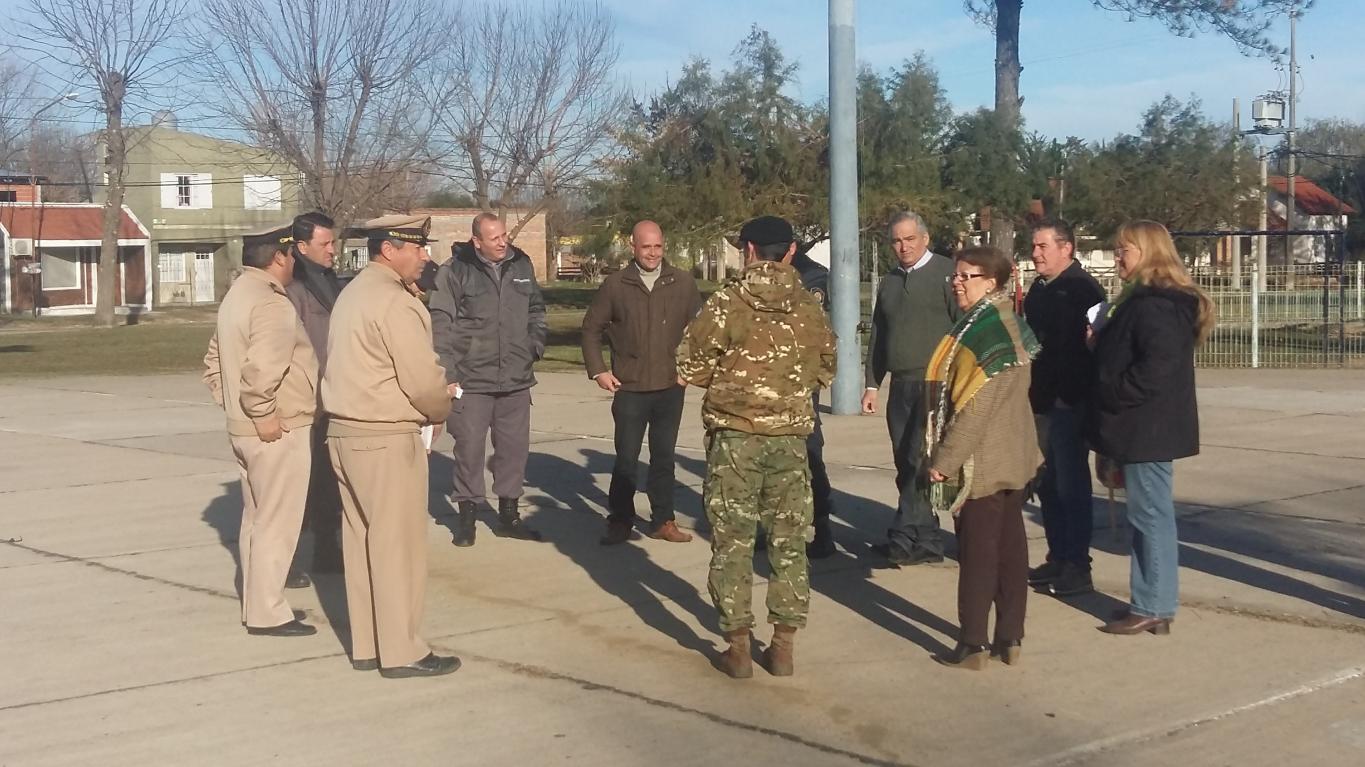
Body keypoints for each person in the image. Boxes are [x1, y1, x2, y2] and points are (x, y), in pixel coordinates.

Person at [677, 215, 836, 679]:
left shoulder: (725, 303)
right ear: (789, 253)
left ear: (747, 250)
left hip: (735, 440)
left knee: (733, 542)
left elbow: (690, 364)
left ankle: (739, 646)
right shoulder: (809, 305)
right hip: (789, 441)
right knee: (789, 543)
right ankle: (784, 646)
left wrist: (734, 382)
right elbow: (827, 367)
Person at [323, 214, 460, 677]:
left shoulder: (353, 293)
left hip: (345, 432)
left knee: (363, 544)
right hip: (383, 436)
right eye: (417, 248)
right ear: (389, 249)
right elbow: (422, 379)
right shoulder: (395, 302)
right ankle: (402, 651)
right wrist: (440, 407)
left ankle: (370, 644)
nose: (425, 257)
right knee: (397, 547)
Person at [1090, 220, 1213, 636]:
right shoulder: (1142, 301)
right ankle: (1150, 602)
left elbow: (1156, 367)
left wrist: (1113, 391)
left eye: (1124, 250)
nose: (1117, 257)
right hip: (1142, 425)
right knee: (1146, 514)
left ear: (1148, 253)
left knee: (1151, 516)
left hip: (1146, 426)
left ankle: (1155, 604)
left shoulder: (1155, 304)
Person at [922, 246, 1041, 669]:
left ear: (991, 283)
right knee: (1010, 550)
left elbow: (976, 409)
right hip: (1015, 456)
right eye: (955, 275)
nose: (957, 282)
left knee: (979, 554)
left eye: (967, 276)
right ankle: (1010, 637)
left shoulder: (988, 333)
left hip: (984, 464)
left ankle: (972, 643)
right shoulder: (1005, 324)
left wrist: (943, 460)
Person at [202, 223, 319, 637]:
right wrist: (262, 413)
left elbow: (214, 360)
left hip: (245, 428)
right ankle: (269, 612)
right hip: (277, 428)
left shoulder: (237, 294)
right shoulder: (272, 303)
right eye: (291, 256)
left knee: (256, 520)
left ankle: (259, 606)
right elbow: (261, 371)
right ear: (280, 256)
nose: (293, 264)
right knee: (277, 523)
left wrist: (233, 405)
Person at [430, 213, 548, 546]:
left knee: (513, 450)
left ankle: (509, 514)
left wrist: (533, 347)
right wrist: (448, 374)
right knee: (468, 447)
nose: (502, 242)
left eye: (504, 235)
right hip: (472, 378)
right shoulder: (454, 270)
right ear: (476, 241)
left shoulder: (521, 266)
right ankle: (467, 515)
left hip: (515, 376)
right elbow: (441, 323)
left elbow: (537, 310)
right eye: (494, 238)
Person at [581, 220, 702, 546]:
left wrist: (689, 370)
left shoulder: (683, 282)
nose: (652, 253)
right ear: (633, 246)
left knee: (664, 458)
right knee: (626, 460)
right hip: (630, 387)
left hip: (669, 386)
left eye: (658, 246)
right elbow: (591, 328)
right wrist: (599, 370)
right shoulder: (616, 285)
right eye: (646, 246)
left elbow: (700, 331)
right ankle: (620, 521)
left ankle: (663, 520)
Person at [863, 211, 959, 566]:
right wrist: (872, 384)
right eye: (896, 241)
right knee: (904, 460)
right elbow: (879, 335)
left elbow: (962, 327)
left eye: (909, 239)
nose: (903, 247)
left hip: (935, 384)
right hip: (900, 385)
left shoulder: (947, 274)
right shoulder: (888, 282)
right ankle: (928, 538)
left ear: (925, 238)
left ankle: (903, 535)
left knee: (921, 457)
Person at [1022, 218, 1106, 597]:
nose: (1035, 253)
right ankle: (1058, 555)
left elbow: (1088, 352)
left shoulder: (1083, 289)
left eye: (1043, 246)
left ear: (1066, 248)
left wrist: (1070, 395)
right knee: (1048, 483)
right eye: (1034, 246)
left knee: (1073, 485)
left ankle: (1077, 564)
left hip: (1070, 402)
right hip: (1041, 401)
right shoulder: (1039, 290)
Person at [283, 211, 344, 584]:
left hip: (332, 398)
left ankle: (326, 546)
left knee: (327, 480)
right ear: (302, 246)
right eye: (325, 244)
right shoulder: (292, 288)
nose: (332, 251)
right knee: (293, 485)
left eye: (333, 243)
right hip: (303, 400)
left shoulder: (331, 282)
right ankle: (285, 559)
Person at [791, 244, 839, 559]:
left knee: (810, 458)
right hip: (767, 387)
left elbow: (820, 342)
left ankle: (823, 530)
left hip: (800, 387)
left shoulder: (811, 277)